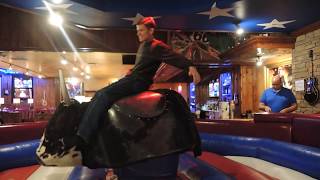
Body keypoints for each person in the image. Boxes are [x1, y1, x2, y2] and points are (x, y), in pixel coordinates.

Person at [76, 17, 201, 144]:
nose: (138, 33)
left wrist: (191, 66)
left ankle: (83, 137)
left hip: (138, 81)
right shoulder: (144, 46)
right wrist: (130, 72)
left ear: (151, 31)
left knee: (102, 95)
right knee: (100, 95)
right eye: (137, 31)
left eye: (141, 30)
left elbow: (174, 56)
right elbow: (140, 67)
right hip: (133, 78)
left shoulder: (156, 46)